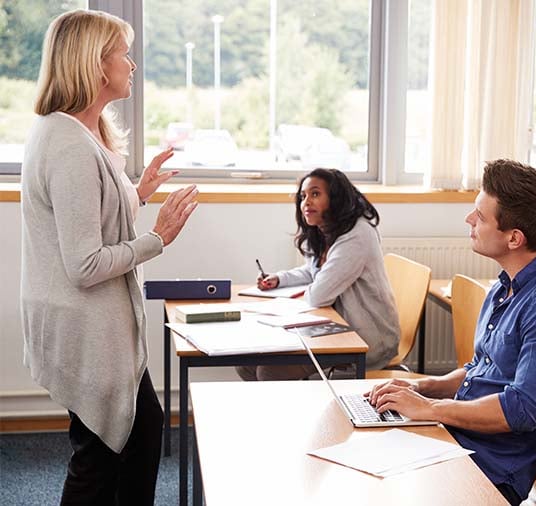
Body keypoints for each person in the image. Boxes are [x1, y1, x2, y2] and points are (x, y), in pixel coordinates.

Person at [20, 10, 199, 505]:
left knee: (138, 437)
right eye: (124, 52)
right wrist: (158, 237)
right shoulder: (70, 144)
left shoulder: (78, 133)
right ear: (96, 64)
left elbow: (86, 217)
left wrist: (136, 194)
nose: (132, 64)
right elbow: (84, 265)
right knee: (102, 456)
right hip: (85, 323)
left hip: (96, 322)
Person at [367, 159, 536, 505]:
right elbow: (480, 371)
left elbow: (522, 409)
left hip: (490, 470)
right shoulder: (505, 287)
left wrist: (431, 408)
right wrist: (420, 387)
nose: (469, 220)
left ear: (514, 238)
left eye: (480, 216)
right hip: (457, 440)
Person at [237, 168, 400, 380]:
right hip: (336, 328)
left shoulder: (356, 235)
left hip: (367, 338)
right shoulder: (328, 229)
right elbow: (313, 271)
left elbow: (318, 295)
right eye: (303, 196)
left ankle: (294, 414)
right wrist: (279, 279)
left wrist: (307, 290)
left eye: (315, 194)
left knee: (270, 371)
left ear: (336, 198)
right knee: (246, 364)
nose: (306, 202)